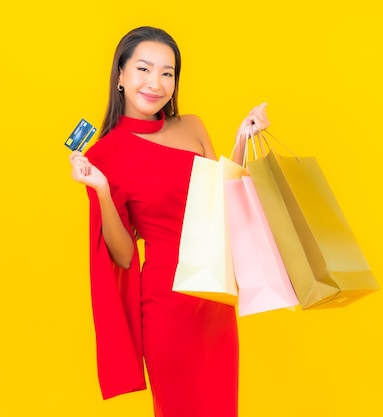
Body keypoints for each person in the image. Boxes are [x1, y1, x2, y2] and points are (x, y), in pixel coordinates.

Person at [68, 26, 270, 417]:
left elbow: (224, 205)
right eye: (144, 69)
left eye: (167, 73)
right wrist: (102, 191)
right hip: (167, 306)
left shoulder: (192, 126)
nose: (156, 83)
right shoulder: (104, 155)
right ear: (121, 76)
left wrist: (242, 140)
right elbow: (124, 256)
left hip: (213, 300)